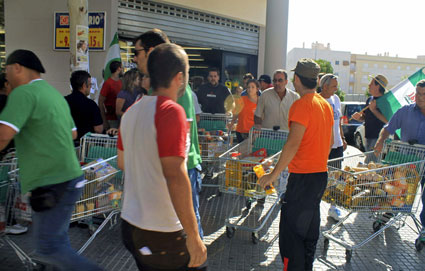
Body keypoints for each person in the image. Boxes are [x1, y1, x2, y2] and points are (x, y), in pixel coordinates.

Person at [0, 49, 101, 270]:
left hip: (51, 182)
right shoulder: (53, 94)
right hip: (69, 179)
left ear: (17, 67)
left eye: (6, 68)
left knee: (48, 248)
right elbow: (73, 133)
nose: (5, 74)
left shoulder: (23, 94)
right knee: (57, 243)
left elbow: (2, 136)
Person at [118, 43, 207, 270]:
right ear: (179, 77)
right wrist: (193, 235)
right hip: (163, 233)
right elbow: (175, 176)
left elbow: (122, 162)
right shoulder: (171, 111)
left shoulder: (131, 112)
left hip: (131, 224)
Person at [259, 58, 334, 271]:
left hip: (302, 180)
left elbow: (293, 144)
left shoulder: (301, 105)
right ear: (317, 80)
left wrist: (272, 175)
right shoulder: (325, 105)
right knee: (309, 234)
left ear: (296, 79)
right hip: (319, 177)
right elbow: (327, 143)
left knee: (292, 238)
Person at [132, 29, 204, 240]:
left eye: (137, 52)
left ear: (152, 52)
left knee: (188, 233)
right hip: (175, 171)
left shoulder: (175, 91)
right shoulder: (161, 92)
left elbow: (178, 152)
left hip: (182, 170)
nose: (134, 58)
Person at [374, 79, 425, 241]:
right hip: (405, 163)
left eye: (423, 94)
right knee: (397, 191)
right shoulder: (405, 111)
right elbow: (388, 128)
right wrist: (380, 141)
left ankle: (424, 230)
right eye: (417, 93)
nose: (420, 97)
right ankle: (388, 214)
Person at [319, 74, 347, 222]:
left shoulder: (336, 99)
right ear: (325, 86)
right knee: (320, 178)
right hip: (323, 148)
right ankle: (314, 206)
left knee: (336, 179)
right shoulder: (318, 101)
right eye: (334, 86)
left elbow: (339, 122)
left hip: (336, 146)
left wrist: (342, 138)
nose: (337, 89)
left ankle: (332, 208)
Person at [352, 74, 388, 151]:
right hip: (368, 136)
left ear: (378, 86)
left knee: (372, 161)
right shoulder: (369, 99)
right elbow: (364, 117)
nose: (369, 85)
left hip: (379, 138)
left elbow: (387, 121)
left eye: (371, 83)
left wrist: (374, 110)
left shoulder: (385, 102)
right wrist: (359, 117)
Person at [65, 70, 103, 143]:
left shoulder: (63, 101)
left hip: (67, 143)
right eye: (90, 84)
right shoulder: (91, 104)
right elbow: (98, 129)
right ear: (84, 86)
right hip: (86, 145)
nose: (90, 87)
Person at [98, 60, 123, 131]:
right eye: (122, 68)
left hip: (120, 118)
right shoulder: (108, 84)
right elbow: (100, 102)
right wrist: (104, 120)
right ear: (119, 69)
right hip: (112, 119)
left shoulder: (121, 82)